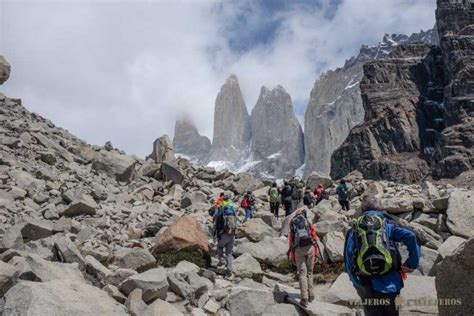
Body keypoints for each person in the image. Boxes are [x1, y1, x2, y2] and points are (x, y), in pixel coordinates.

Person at [344, 195, 420, 316]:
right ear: (379, 208)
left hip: (367, 284)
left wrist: (357, 285)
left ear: (362, 210)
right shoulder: (388, 225)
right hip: (391, 283)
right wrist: (411, 264)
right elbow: (411, 237)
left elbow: (348, 260)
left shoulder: (354, 230)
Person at [288, 208, 319, 307]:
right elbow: (314, 237)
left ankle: (304, 298)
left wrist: (292, 257)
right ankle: (311, 295)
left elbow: (291, 241)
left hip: (298, 250)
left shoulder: (293, 223)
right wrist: (316, 253)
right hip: (310, 248)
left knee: (302, 273)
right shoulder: (308, 222)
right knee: (310, 272)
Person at [213, 198, 238, 279]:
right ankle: (229, 270)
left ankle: (222, 260)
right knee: (229, 253)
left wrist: (214, 236)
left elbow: (215, 225)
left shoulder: (221, 211)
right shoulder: (232, 210)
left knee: (220, 247)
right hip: (232, 234)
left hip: (223, 234)